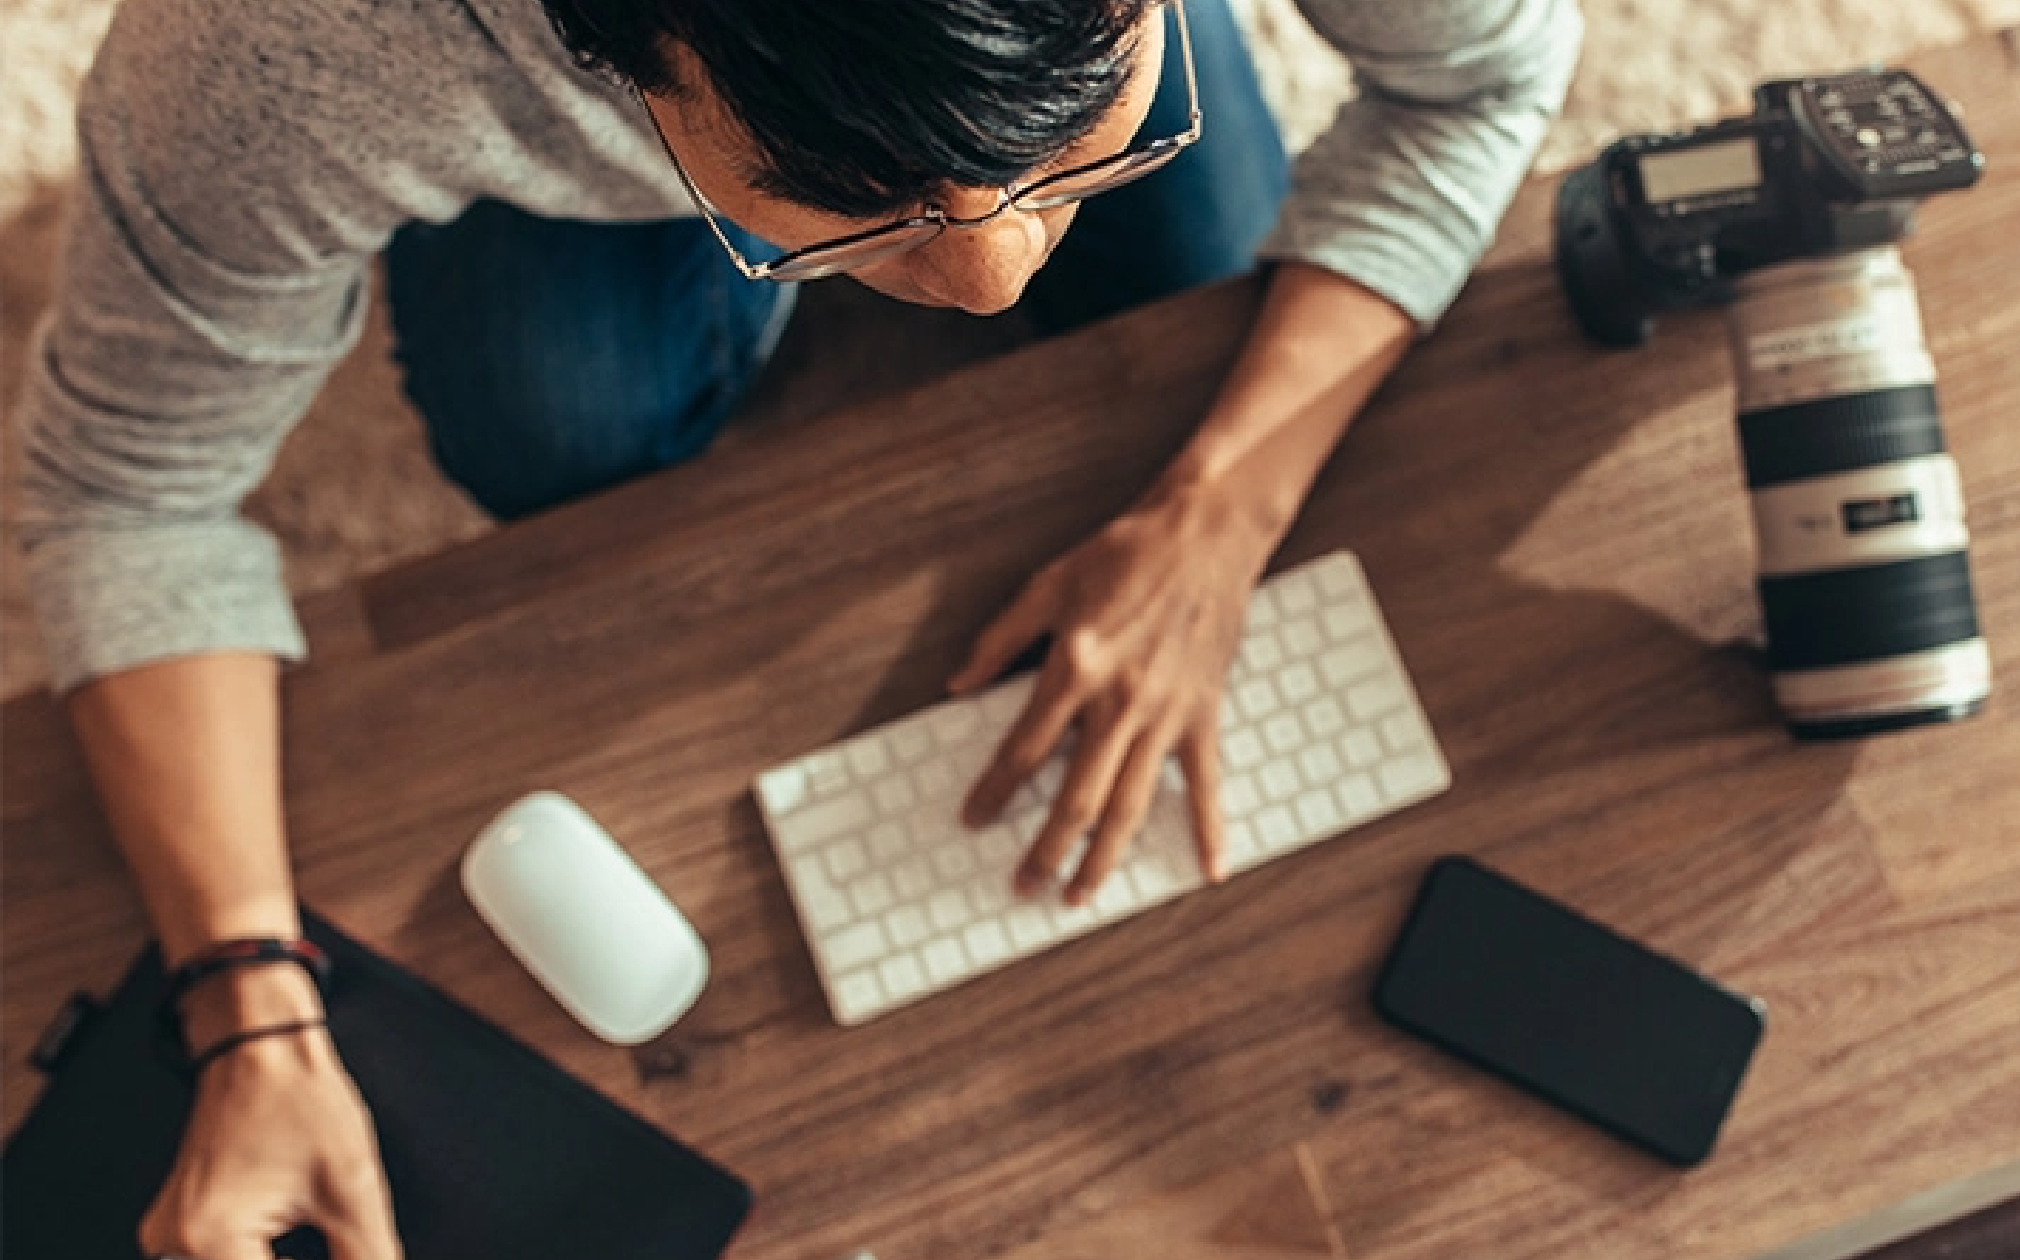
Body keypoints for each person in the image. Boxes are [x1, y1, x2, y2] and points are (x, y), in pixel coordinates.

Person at [10, 0, 1581, 1252]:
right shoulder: (283, 50)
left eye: (1060, 143)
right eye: (852, 201)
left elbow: (1488, 79)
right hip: (504, 108)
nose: (983, 273)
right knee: (559, 441)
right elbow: (122, 494)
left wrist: (1219, 512)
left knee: (1189, 291)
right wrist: (246, 1005)